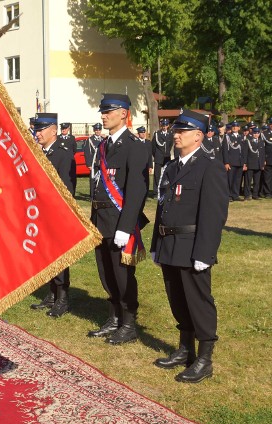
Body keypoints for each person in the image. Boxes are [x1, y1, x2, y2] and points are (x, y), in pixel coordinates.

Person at [150, 109, 228, 383]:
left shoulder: (209, 166)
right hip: (169, 242)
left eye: (182, 131)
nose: (176, 134)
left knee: (198, 302)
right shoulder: (172, 167)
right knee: (177, 300)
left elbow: (214, 214)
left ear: (199, 136)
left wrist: (205, 253)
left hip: (192, 245)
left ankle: (204, 358)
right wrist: (155, 244)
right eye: (176, 130)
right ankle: (185, 349)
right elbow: (163, 206)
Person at [88, 94, 150, 344]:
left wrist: (125, 228)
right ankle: (113, 318)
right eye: (102, 111)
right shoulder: (103, 146)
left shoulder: (135, 146)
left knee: (122, 275)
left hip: (119, 222)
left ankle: (129, 323)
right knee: (106, 273)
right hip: (101, 219)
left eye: (108, 111)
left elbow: (137, 190)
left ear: (123, 113)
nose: (103, 115)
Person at [30, 113, 75, 318]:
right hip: (41, 213)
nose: (36, 133)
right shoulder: (42, 154)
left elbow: (67, 188)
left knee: (59, 257)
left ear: (54, 130)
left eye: (41, 129)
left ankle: (62, 298)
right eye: (36, 129)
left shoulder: (63, 154)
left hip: (57, 214)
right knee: (47, 256)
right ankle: (51, 293)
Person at [223, 121, 247, 201]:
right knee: (230, 179)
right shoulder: (227, 137)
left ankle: (235, 195)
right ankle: (229, 195)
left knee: (237, 180)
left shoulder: (242, 137)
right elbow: (225, 150)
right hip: (231, 162)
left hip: (240, 162)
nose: (235, 128)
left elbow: (244, 151)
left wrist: (244, 163)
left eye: (236, 126)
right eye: (233, 126)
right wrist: (226, 162)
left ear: (239, 128)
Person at [151, 119, 173, 198]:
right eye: (163, 125)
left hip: (167, 156)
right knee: (157, 175)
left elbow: (170, 145)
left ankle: (165, 190)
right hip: (158, 156)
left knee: (167, 174)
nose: (164, 127)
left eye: (166, 125)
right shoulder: (157, 134)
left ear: (168, 126)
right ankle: (156, 192)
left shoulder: (170, 134)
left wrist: (167, 153)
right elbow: (153, 146)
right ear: (161, 126)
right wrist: (156, 155)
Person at [244, 127, 265, 200]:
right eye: (255, 133)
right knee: (248, 181)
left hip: (258, 164)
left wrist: (262, 164)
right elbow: (245, 153)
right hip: (250, 164)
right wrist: (245, 164)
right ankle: (247, 195)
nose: (256, 134)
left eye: (257, 133)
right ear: (252, 133)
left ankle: (255, 195)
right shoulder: (248, 141)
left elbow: (262, 154)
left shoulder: (261, 141)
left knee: (257, 181)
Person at [85, 123, 104, 195]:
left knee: (101, 179)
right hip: (93, 163)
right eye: (96, 130)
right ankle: (92, 195)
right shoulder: (90, 140)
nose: (98, 131)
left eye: (99, 130)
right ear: (94, 130)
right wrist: (89, 164)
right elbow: (87, 153)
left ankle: (99, 194)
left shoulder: (103, 139)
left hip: (101, 163)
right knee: (93, 180)